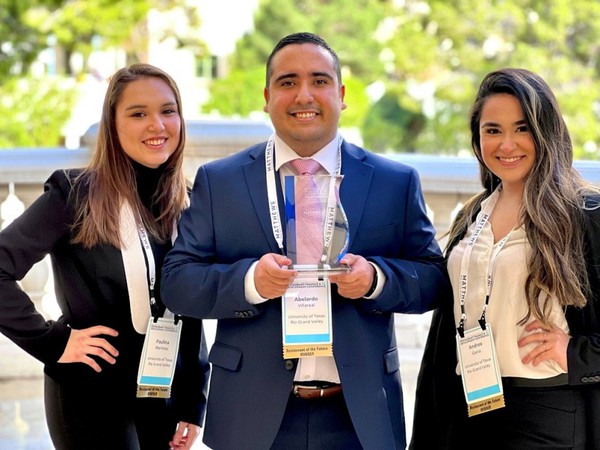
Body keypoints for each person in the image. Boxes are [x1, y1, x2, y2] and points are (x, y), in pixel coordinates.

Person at [161, 32, 449, 450]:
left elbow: (433, 278)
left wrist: (376, 280)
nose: (304, 95)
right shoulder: (219, 181)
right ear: (266, 96)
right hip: (249, 416)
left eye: (319, 80)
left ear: (341, 93)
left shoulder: (395, 182)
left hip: (359, 417)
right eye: (287, 82)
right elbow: (177, 283)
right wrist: (250, 283)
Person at [0, 63, 209, 449]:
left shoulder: (187, 200)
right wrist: (53, 341)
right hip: (89, 395)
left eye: (167, 111)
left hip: (161, 395)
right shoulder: (75, 194)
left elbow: (189, 307)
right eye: (138, 113)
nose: (157, 125)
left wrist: (194, 400)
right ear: (112, 125)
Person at [410, 68, 600, 449]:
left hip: (544, 412)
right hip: (468, 407)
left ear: (546, 132)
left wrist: (576, 354)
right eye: (492, 130)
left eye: (522, 128)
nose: (506, 143)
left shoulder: (585, 214)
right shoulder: (474, 214)